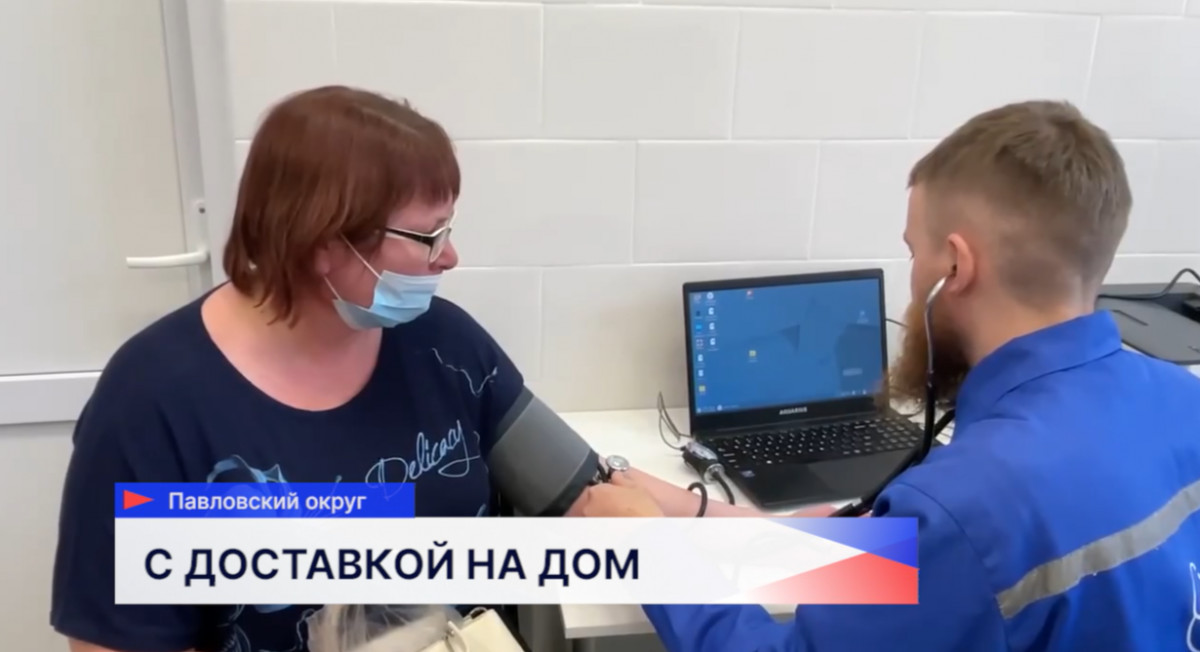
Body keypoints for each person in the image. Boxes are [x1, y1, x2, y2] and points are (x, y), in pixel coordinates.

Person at [580, 100, 1200, 651]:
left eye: (913, 251)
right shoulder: (1182, 401)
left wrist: (648, 551)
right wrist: (677, 510)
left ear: (955, 266)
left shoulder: (963, 509)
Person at [50, 85, 571, 652]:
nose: (448, 256)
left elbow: (584, 490)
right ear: (323, 241)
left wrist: (654, 524)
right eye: (428, 236)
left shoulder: (443, 345)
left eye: (447, 229)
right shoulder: (151, 403)